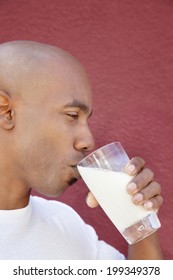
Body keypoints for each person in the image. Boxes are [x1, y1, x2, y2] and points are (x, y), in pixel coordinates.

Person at [0, 40, 163, 260]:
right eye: (72, 115)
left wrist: (139, 219)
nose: (88, 141)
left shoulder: (67, 225)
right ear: (6, 111)